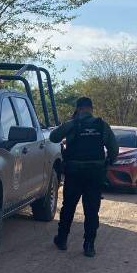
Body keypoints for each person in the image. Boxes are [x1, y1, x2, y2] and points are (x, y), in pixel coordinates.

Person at [48, 96, 118, 257]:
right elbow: (114, 149)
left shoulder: (72, 124)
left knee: (68, 207)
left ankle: (62, 239)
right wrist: (108, 162)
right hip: (95, 174)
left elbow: (53, 137)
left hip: (74, 173)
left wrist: (70, 123)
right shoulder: (102, 125)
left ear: (78, 109)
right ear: (91, 109)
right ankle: (89, 245)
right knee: (92, 209)